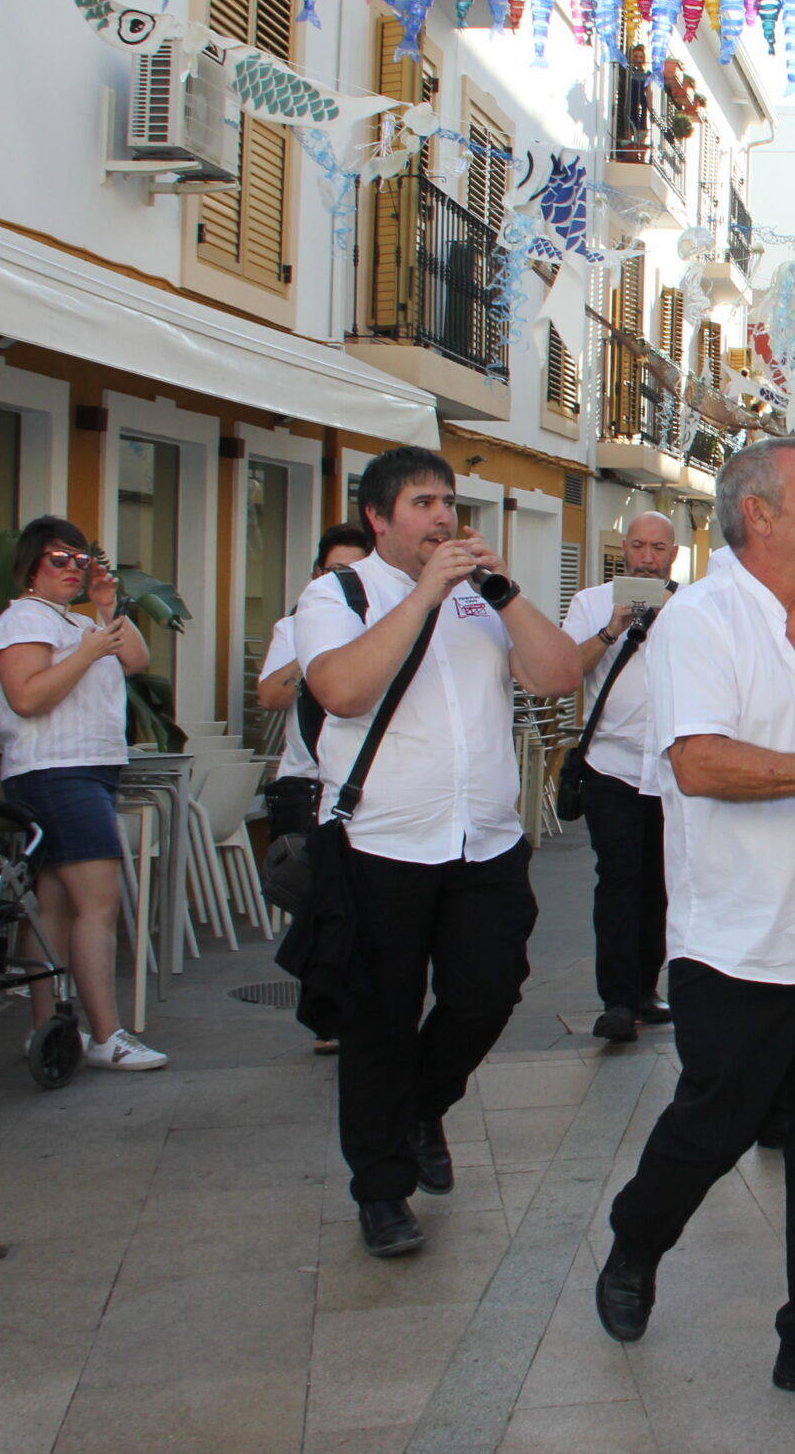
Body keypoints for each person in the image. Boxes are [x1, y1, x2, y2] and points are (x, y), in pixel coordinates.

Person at [594, 438, 795, 1414]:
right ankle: (638, 1238)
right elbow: (698, 764)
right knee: (714, 1123)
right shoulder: (699, 619)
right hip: (737, 939)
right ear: (758, 514)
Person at [297, 447, 583, 1259]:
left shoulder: (481, 601)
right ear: (379, 518)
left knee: (488, 990)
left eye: (449, 501)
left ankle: (422, 1106)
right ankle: (381, 1188)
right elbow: (343, 690)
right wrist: (426, 592)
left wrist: (506, 593)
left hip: (483, 841)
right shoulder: (339, 593)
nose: (443, 516)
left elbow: (559, 675)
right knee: (377, 1019)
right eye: (423, 502)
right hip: (380, 842)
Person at [0, 517, 164, 1072]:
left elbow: (136, 660)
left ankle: (48, 1030)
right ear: (31, 565)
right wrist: (86, 651)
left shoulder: (73, 620)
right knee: (98, 901)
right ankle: (107, 1034)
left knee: (58, 905)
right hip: (56, 771)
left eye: (81, 560)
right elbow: (29, 698)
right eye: (59, 559)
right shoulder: (24, 621)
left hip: (82, 770)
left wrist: (106, 607)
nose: (72, 569)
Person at [562, 511, 682, 1044]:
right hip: (610, 765)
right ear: (624, 549)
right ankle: (615, 998)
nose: (648, 557)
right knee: (618, 879)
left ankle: (645, 988)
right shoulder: (589, 602)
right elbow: (566, 670)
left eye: (659, 548)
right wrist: (612, 626)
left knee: (659, 882)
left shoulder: (691, 606)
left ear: (673, 554)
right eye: (638, 545)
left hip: (669, 769)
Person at [256, 521, 374, 1056]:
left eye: (352, 569)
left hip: (359, 787)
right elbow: (270, 697)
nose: (342, 578)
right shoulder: (294, 624)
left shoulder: (384, 622)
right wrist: (314, 654)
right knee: (319, 903)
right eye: (333, 570)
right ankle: (326, 1007)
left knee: (359, 903)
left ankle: (352, 1006)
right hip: (303, 786)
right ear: (316, 575)